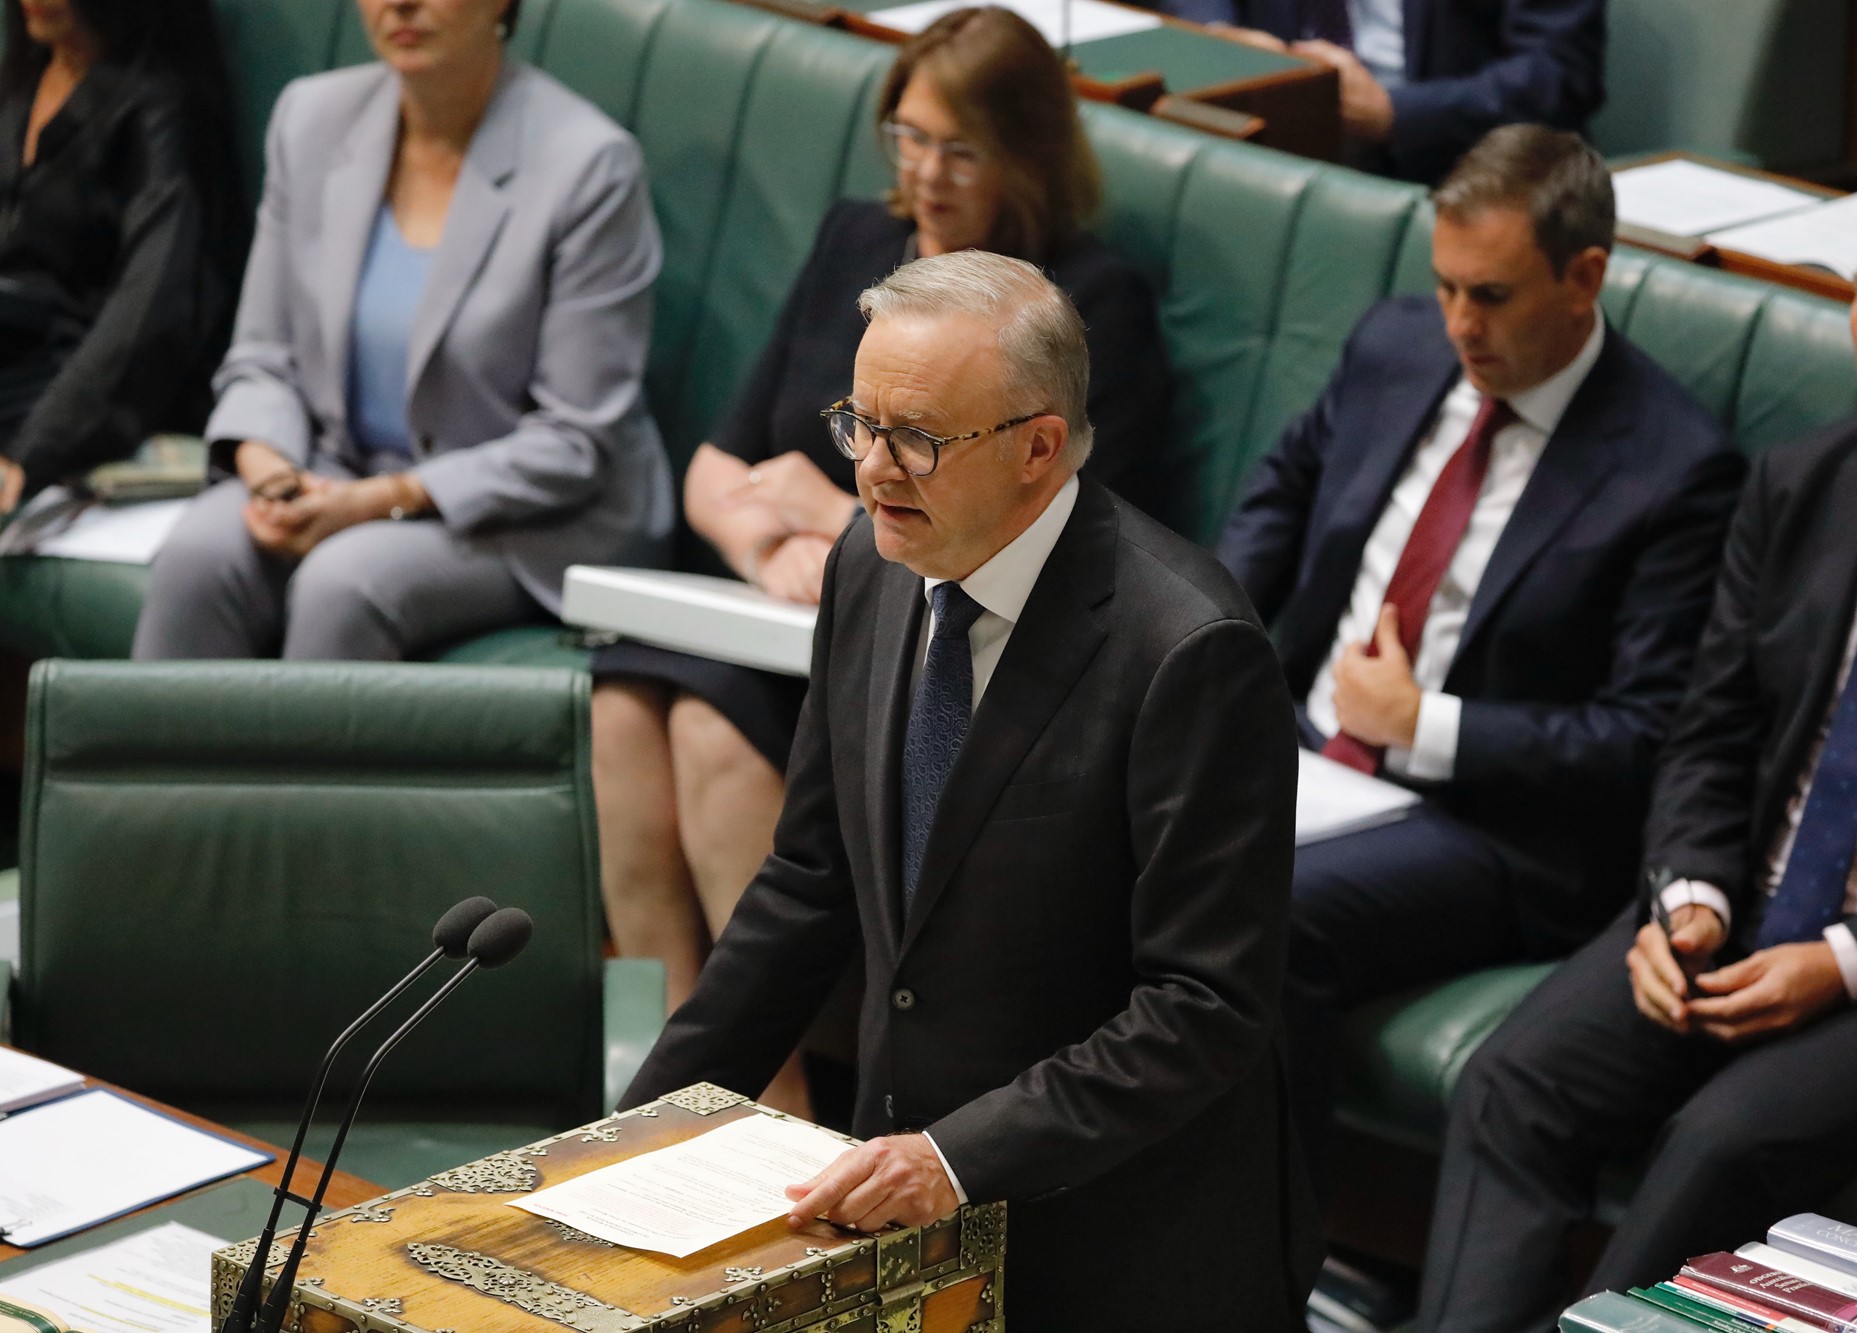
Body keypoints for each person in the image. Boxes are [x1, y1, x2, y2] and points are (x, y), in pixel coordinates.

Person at [619, 250, 1315, 1330]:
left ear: (1039, 447)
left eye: (919, 438)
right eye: (861, 423)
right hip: (909, 1226)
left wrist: (956, 1157)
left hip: (1121, 1250)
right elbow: (811, 881)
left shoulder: (1187, 650)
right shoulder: (873, 565)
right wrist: (637, 1129)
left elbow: (1204, 1005)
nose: (874, 469)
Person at [1416, 158, 1857, 1333]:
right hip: (1735, 922)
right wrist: (1683, 893)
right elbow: (1708, 729)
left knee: (1715, 1140)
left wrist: (1836, 962)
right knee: (1515, 1082)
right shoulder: (1805, 482)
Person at [590, 4, 1174, 1115]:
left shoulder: (1072, 306)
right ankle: (659, 1088)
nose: (928, 170)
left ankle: (773, 1111)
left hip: (947, 628)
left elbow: (1060, 525)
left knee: (711, 740)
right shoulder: (856, 242)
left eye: (960, 147)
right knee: (620, 708)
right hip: (784, 598)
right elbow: (724, 454)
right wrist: (773, 539)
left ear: (1024, 151)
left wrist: (829, 511)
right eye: (908, 137)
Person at [1214, 124, 1743, 1207]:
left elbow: (1642, 737)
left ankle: (1260, 1269)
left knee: (1251, 905)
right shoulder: (1396, 347)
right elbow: (1281, 494)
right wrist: (1193, 646)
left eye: (1491, 296)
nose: (1460, 322)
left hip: (1489, 831)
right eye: (1446, 286)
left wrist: (1424, 722)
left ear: (1584, 276)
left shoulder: (1673, 466)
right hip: (1307, 747)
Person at [130, 0, 671, 662]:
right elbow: (262, 357)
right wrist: (269, 469)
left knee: (344, 583)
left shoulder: (589, 166)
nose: (401, 3)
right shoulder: (311, 120)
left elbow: (576, 440)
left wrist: (381, 501)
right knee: (194, 558)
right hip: (334, 467)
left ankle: (298, 773)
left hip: (531, 516)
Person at [0, 0, 246, 517]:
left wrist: (34, 451)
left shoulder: (163, 107)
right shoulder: (23, 79)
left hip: (75, 382)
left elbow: (152, 304)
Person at [1163, 0, 1605, 184]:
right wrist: (1220, 36)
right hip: (1279, 131)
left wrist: (1395, 114)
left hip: (1457, 163)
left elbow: (1559, 72)